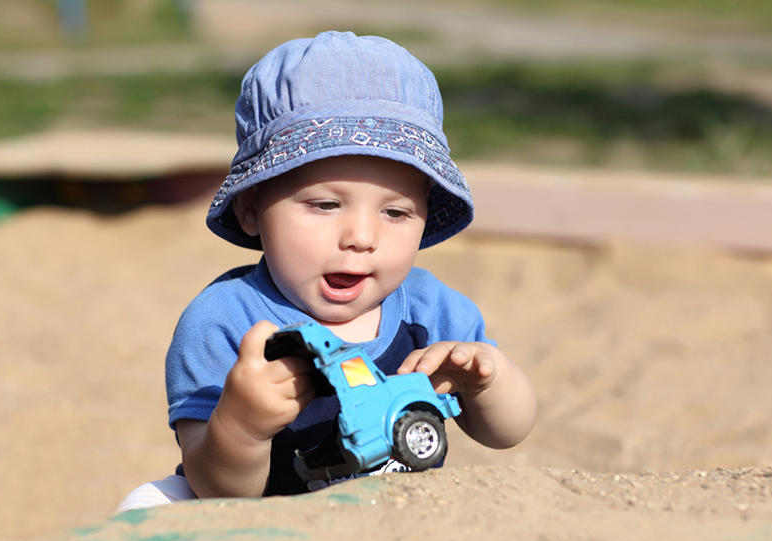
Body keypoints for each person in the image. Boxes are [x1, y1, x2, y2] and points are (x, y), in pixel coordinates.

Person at [116, 30, 536, 511]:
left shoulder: (429, 309)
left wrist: (488, 383)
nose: (361, 237)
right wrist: (241, 427)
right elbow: (217, 490)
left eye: (395, 212)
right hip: (257, 518)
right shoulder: (226, 320)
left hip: (395, 517)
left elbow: (509, 432)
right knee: (147, 507)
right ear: (251, 208)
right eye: (326, 205)